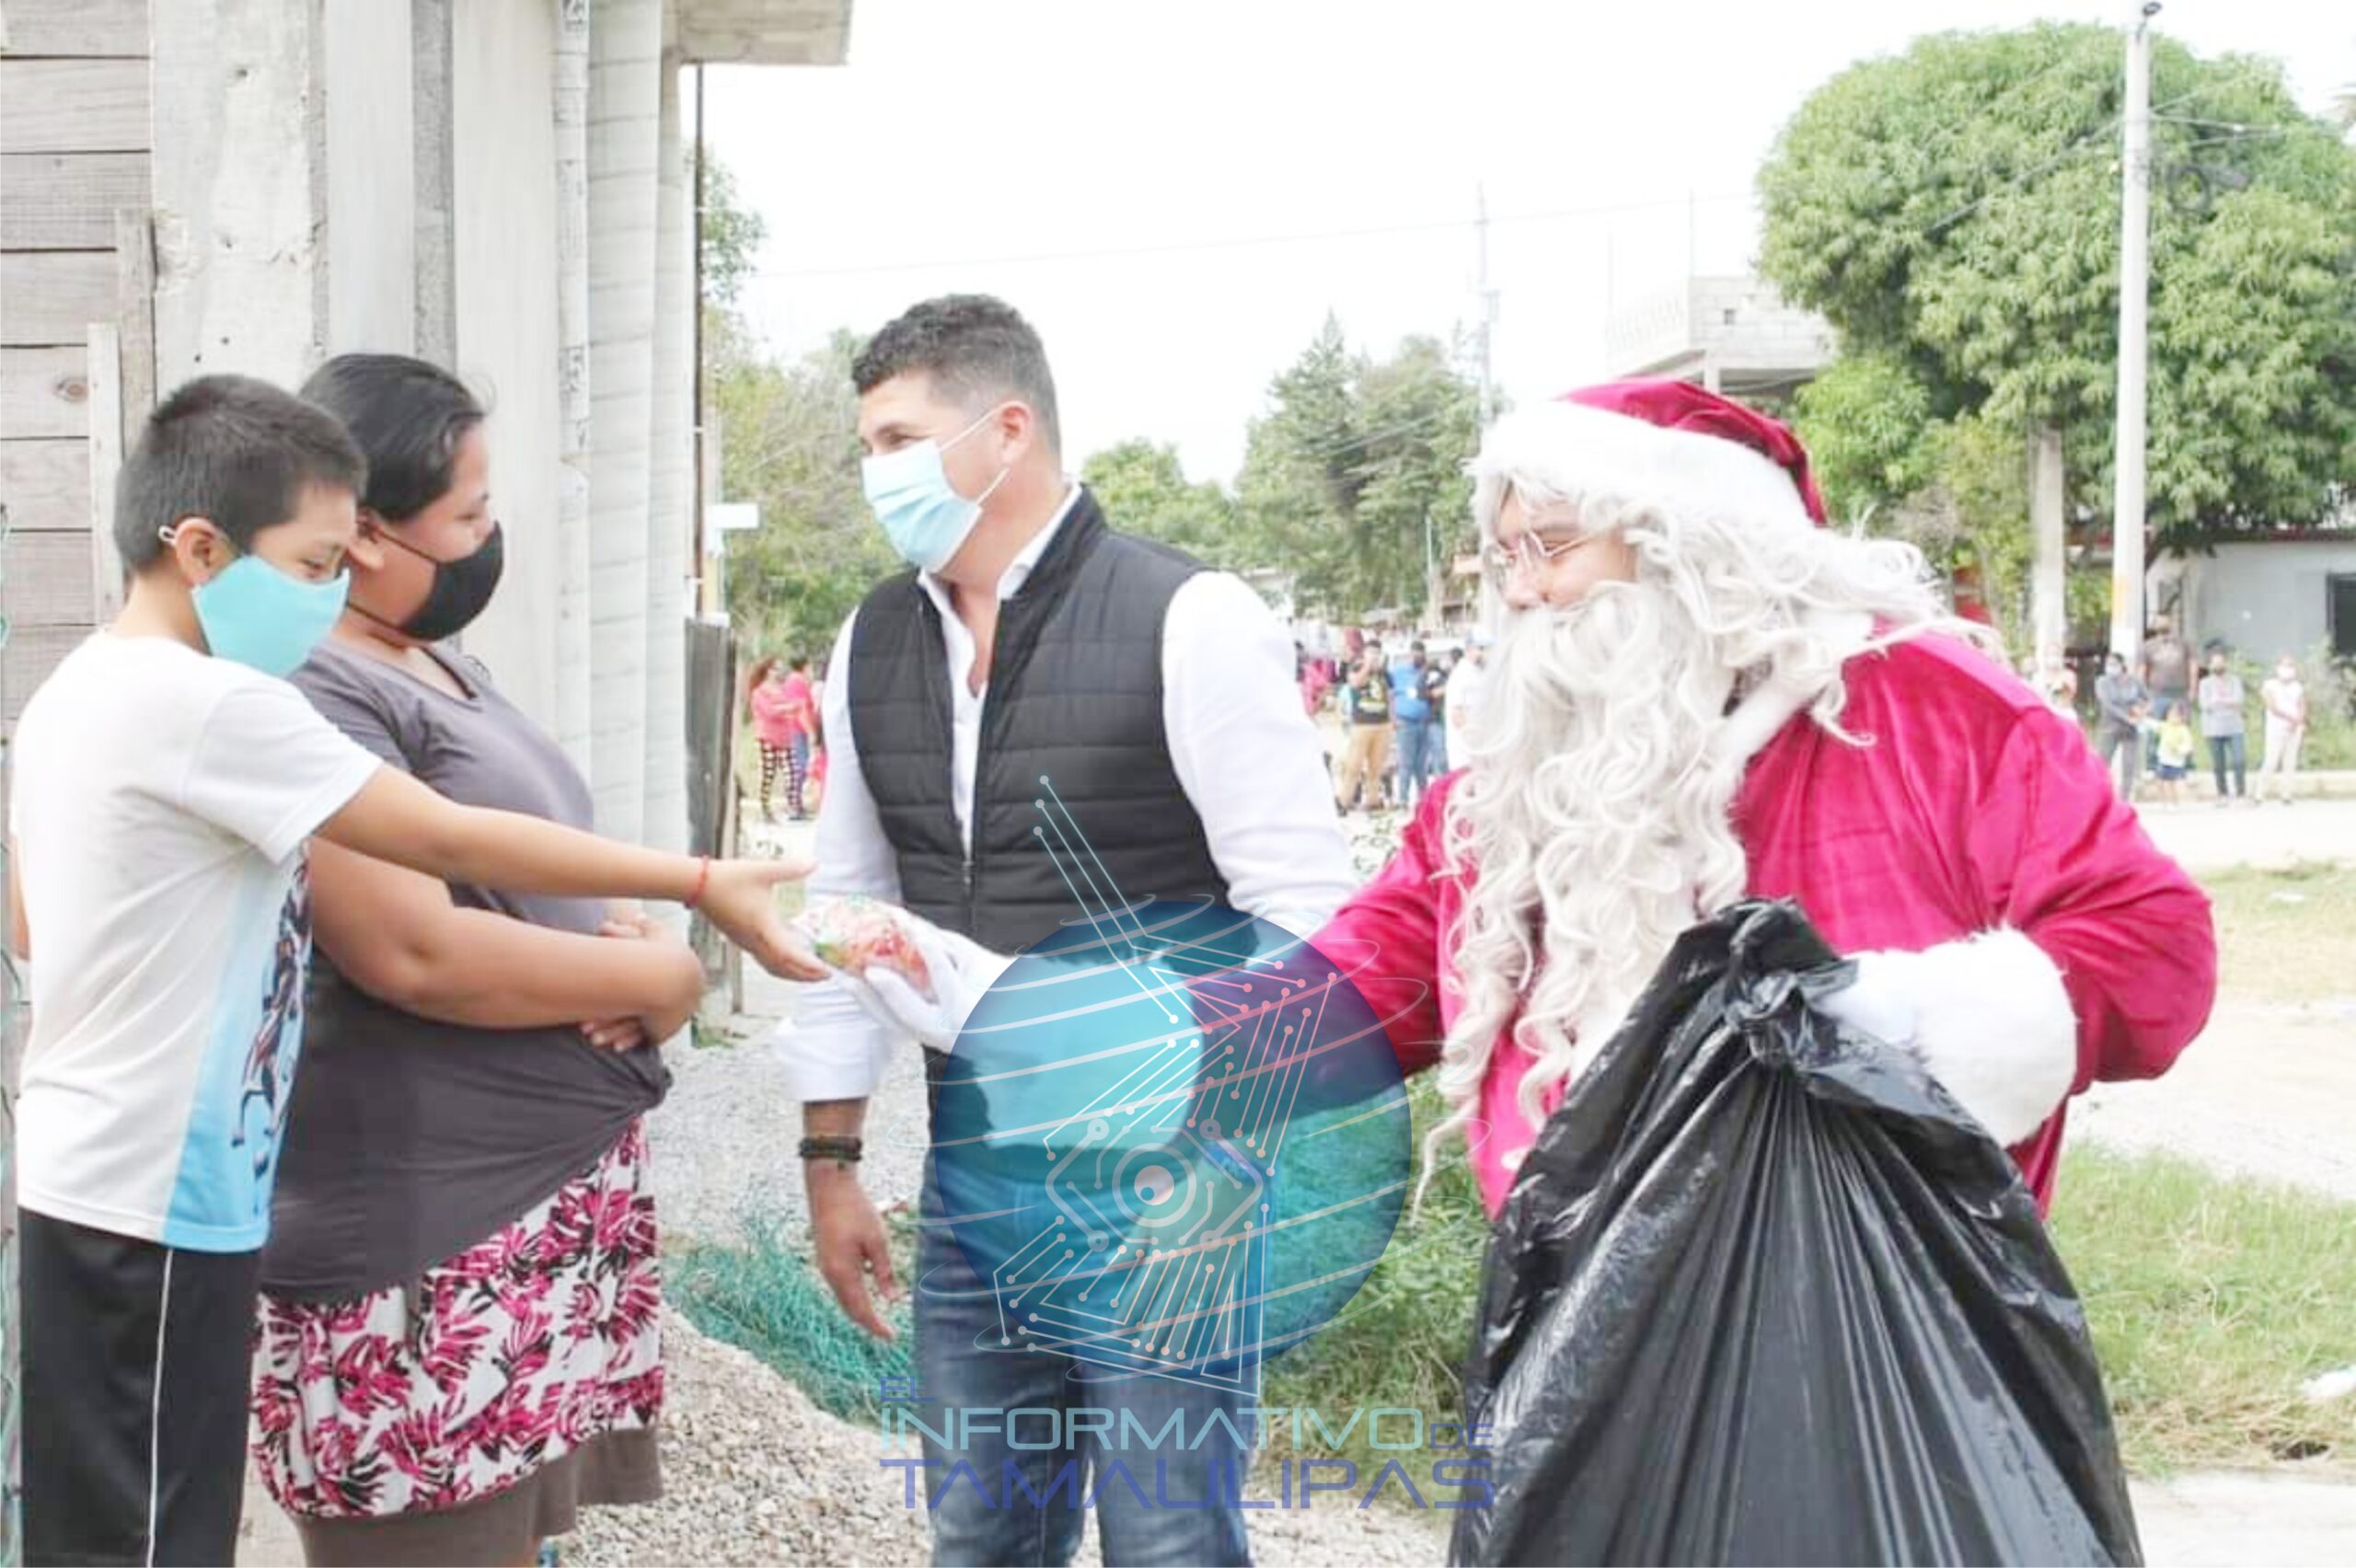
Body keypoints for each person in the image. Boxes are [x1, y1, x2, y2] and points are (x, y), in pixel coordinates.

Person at [4, 375, 819, 1568]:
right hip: (157, 1193)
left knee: (120, 1526)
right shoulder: (209, 705)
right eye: (312, 564)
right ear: (200, 548)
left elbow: (32, 922)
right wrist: (696, 881)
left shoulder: (79, 689)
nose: (330, 593)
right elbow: (442, 838)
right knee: (149, 1540)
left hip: (109, 1176)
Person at [1277, 380, 2212, 1221]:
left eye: (1550, 546)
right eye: (1505, 555)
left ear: (1690, 547)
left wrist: (1886, 1026)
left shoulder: (1936, 711)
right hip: (1577, 1311)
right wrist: (1216, 1049)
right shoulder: (1528, 764)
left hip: (1873, 1308)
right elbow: (1391, 955)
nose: (1520, 590)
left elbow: (2151, 944)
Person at [770, 295, 1354, 1567]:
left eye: (898, 440)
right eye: (867, 447)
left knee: (1168, 1541)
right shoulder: (873, 641)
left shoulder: (1190, 617)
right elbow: (846, 907)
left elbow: (1308, 920)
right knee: (981, 1539)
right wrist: (830, 1158)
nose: (876, 475)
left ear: (1006, 431)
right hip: (976, 1190)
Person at [238, 355, 697, 1564]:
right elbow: (412, 949)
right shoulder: (313, 686)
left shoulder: (426, 657)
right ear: (364, 533)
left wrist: (624, 929)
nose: (492, 541)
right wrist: (660, 979)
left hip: (524, 1225)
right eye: (470, 516)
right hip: (427, 1244)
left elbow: (518, 868)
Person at [750, 654, 820, 820]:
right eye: (775, 669)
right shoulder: (759, 692)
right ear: (767, 671)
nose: (778, 672)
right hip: (768, 737)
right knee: (769, 775)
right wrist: (790, 707)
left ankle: (794, 808)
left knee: (792, 773)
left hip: (785, 737)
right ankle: (766, 808)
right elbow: (770, 712)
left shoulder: (780, 689)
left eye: (780, 669)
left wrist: (789, 708)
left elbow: (790, 708)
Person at [1335, 649, 1394, 812]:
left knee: (1376, 766)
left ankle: (1372, 800)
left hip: (1381, 723)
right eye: (1372, 654)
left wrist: (1392, 720)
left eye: (1377, 654)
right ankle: (1344, 800)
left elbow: (1389, 696)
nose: (1375, 658)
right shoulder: (1356, 668)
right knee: (1353, 765)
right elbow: (1355, 683)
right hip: (1362, 723)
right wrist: (1367, 666)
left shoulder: (1383, 674)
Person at [2197, 647, 2249, 805]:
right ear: (2210, 665)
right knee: (2218, 764)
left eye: (2220, 662)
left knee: (2239, 760)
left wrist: (2220, 701)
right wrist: (2226, 702)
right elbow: (2205, 705)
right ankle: (2222, 794)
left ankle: (2241, 793)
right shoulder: (2205, 683)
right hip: (2213, 728)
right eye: (2215, 663)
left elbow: (2239, 701)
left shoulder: (2234, 681)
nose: (2218, 665)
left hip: (2235, 726)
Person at [2093, 651, 2148, 801]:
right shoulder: (2102, 682)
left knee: (2129, 764)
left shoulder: (2134, 681)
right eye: (2108, 664)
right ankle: (2100, 795)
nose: (2110, 667)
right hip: (2110, 727)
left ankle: (2124, 798)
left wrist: (2141, 711)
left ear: (2122, 665)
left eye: (2114, 664)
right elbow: (2108, 704)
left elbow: (2147, 698)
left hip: (2131, 728)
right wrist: (2127, 718)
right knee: (2103, 762)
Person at [1389, 640, 1437, 808]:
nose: (1417, 658)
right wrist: (1393, 718)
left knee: (1421, 765)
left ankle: (1423, 800)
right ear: (1410, 654)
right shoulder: (1398, 672)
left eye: (1421, 654)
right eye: (1414, 654)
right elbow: (1390, 695)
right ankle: (1403, 799)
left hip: (1424, 723)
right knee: (1406, 763)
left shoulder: (1428, 673)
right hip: (1405, 722)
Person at [2257, 653, 2309, 804]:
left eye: (2291, 665)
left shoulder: (2297, 686)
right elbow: (2272, 707)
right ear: (2278, 667)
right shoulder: (2269, 685)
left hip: (2294, 729)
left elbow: (2302, 705)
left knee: (2290, 762)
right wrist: (2291, 719)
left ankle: (2287, 795)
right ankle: (2259, 794)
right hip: (2276, 728)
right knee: (2271, 761)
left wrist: (2298, 721)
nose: (2288, 669)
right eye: (2285, 665)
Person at [1444, 630, 1493, 767]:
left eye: (1487, 649)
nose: (1485, 653)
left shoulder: (1479, 673)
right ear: (1469, 649)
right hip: (1466, 754)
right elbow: (1457, 716)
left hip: (1481, 751)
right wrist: (1475, 744)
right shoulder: (1461, 676)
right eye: (1481, 648)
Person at [2152, 700, 2197, 807]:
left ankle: (2174, 802)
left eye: (2175, 715)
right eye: (2170, 715)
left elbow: (2188, 744)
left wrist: (2179, 750)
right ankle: (2163, 802)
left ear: (2182, 717)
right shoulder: (2164, 726)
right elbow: (2152, 724)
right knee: (2159, 782)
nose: (2172, 717)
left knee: (2172, 784)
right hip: (2163, 760)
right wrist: (2141, 718)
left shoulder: (2183, 730)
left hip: (2175, 762)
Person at [2034, 642, 2080, 716]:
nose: (2053, 657)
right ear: (2045, 657)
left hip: (2064, 715)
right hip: (2043, 715)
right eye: (2050, 654)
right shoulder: (2037, 678)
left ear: (2062, 657)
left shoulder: (2069, 675)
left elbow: (2067, 697)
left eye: (2056, 654)